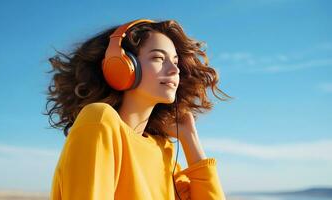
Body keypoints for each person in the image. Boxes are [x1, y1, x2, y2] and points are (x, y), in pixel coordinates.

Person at [45, 18, 232, 200]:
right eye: (159, 58)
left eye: (175, 61)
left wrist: (190, 138)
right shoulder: (99, 120)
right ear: (121, 66)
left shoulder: (162, 149)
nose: (175, 70)